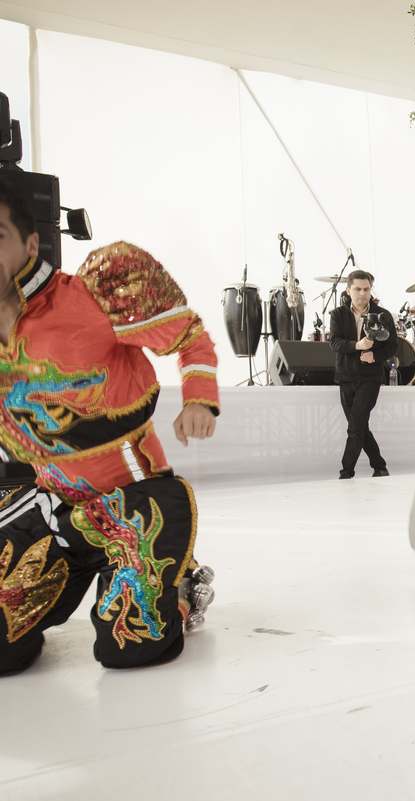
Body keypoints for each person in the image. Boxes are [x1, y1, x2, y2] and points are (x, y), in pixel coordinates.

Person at [0, 180, 219, 675]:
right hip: (51, 507)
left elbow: (188, 335)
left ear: (30, 245)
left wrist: (199, 400)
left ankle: (181, 588)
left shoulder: (95, 296)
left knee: (128, 647)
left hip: (130, 505)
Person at [329, 270, 399, 479]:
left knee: (355, 427)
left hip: (370, 378)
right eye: (358, 289)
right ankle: (379, 466)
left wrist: (375, 357)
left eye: (366, 289)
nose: (362, 293)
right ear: (348, 290)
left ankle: (346, 471)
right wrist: (356, 345)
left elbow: (393, 346)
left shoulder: (383, 315)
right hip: (345, 376)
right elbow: (335, 343)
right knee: (358, 426)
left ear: (370, 290)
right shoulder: (338, 314)